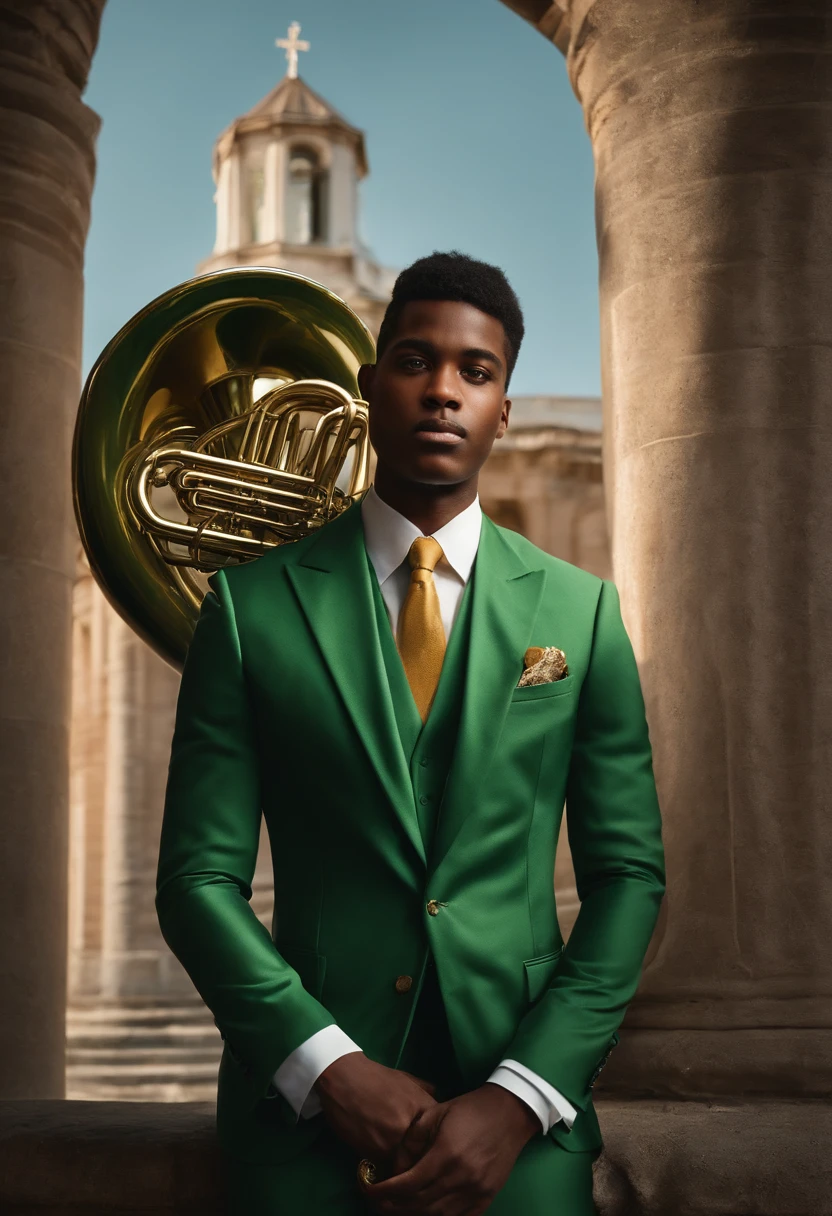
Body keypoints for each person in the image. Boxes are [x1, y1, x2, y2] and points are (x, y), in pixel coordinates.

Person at [155, 251, 666, 1215]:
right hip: (303, 1117)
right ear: (368, 384)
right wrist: (328, 1067)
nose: (444, 392)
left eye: (477, 373)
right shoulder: (244, 611)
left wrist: (522, 1095)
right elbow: (196, 881)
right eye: (414, 361)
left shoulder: (584, 613)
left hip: (520, 1122)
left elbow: (629, 876)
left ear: (503, 410)